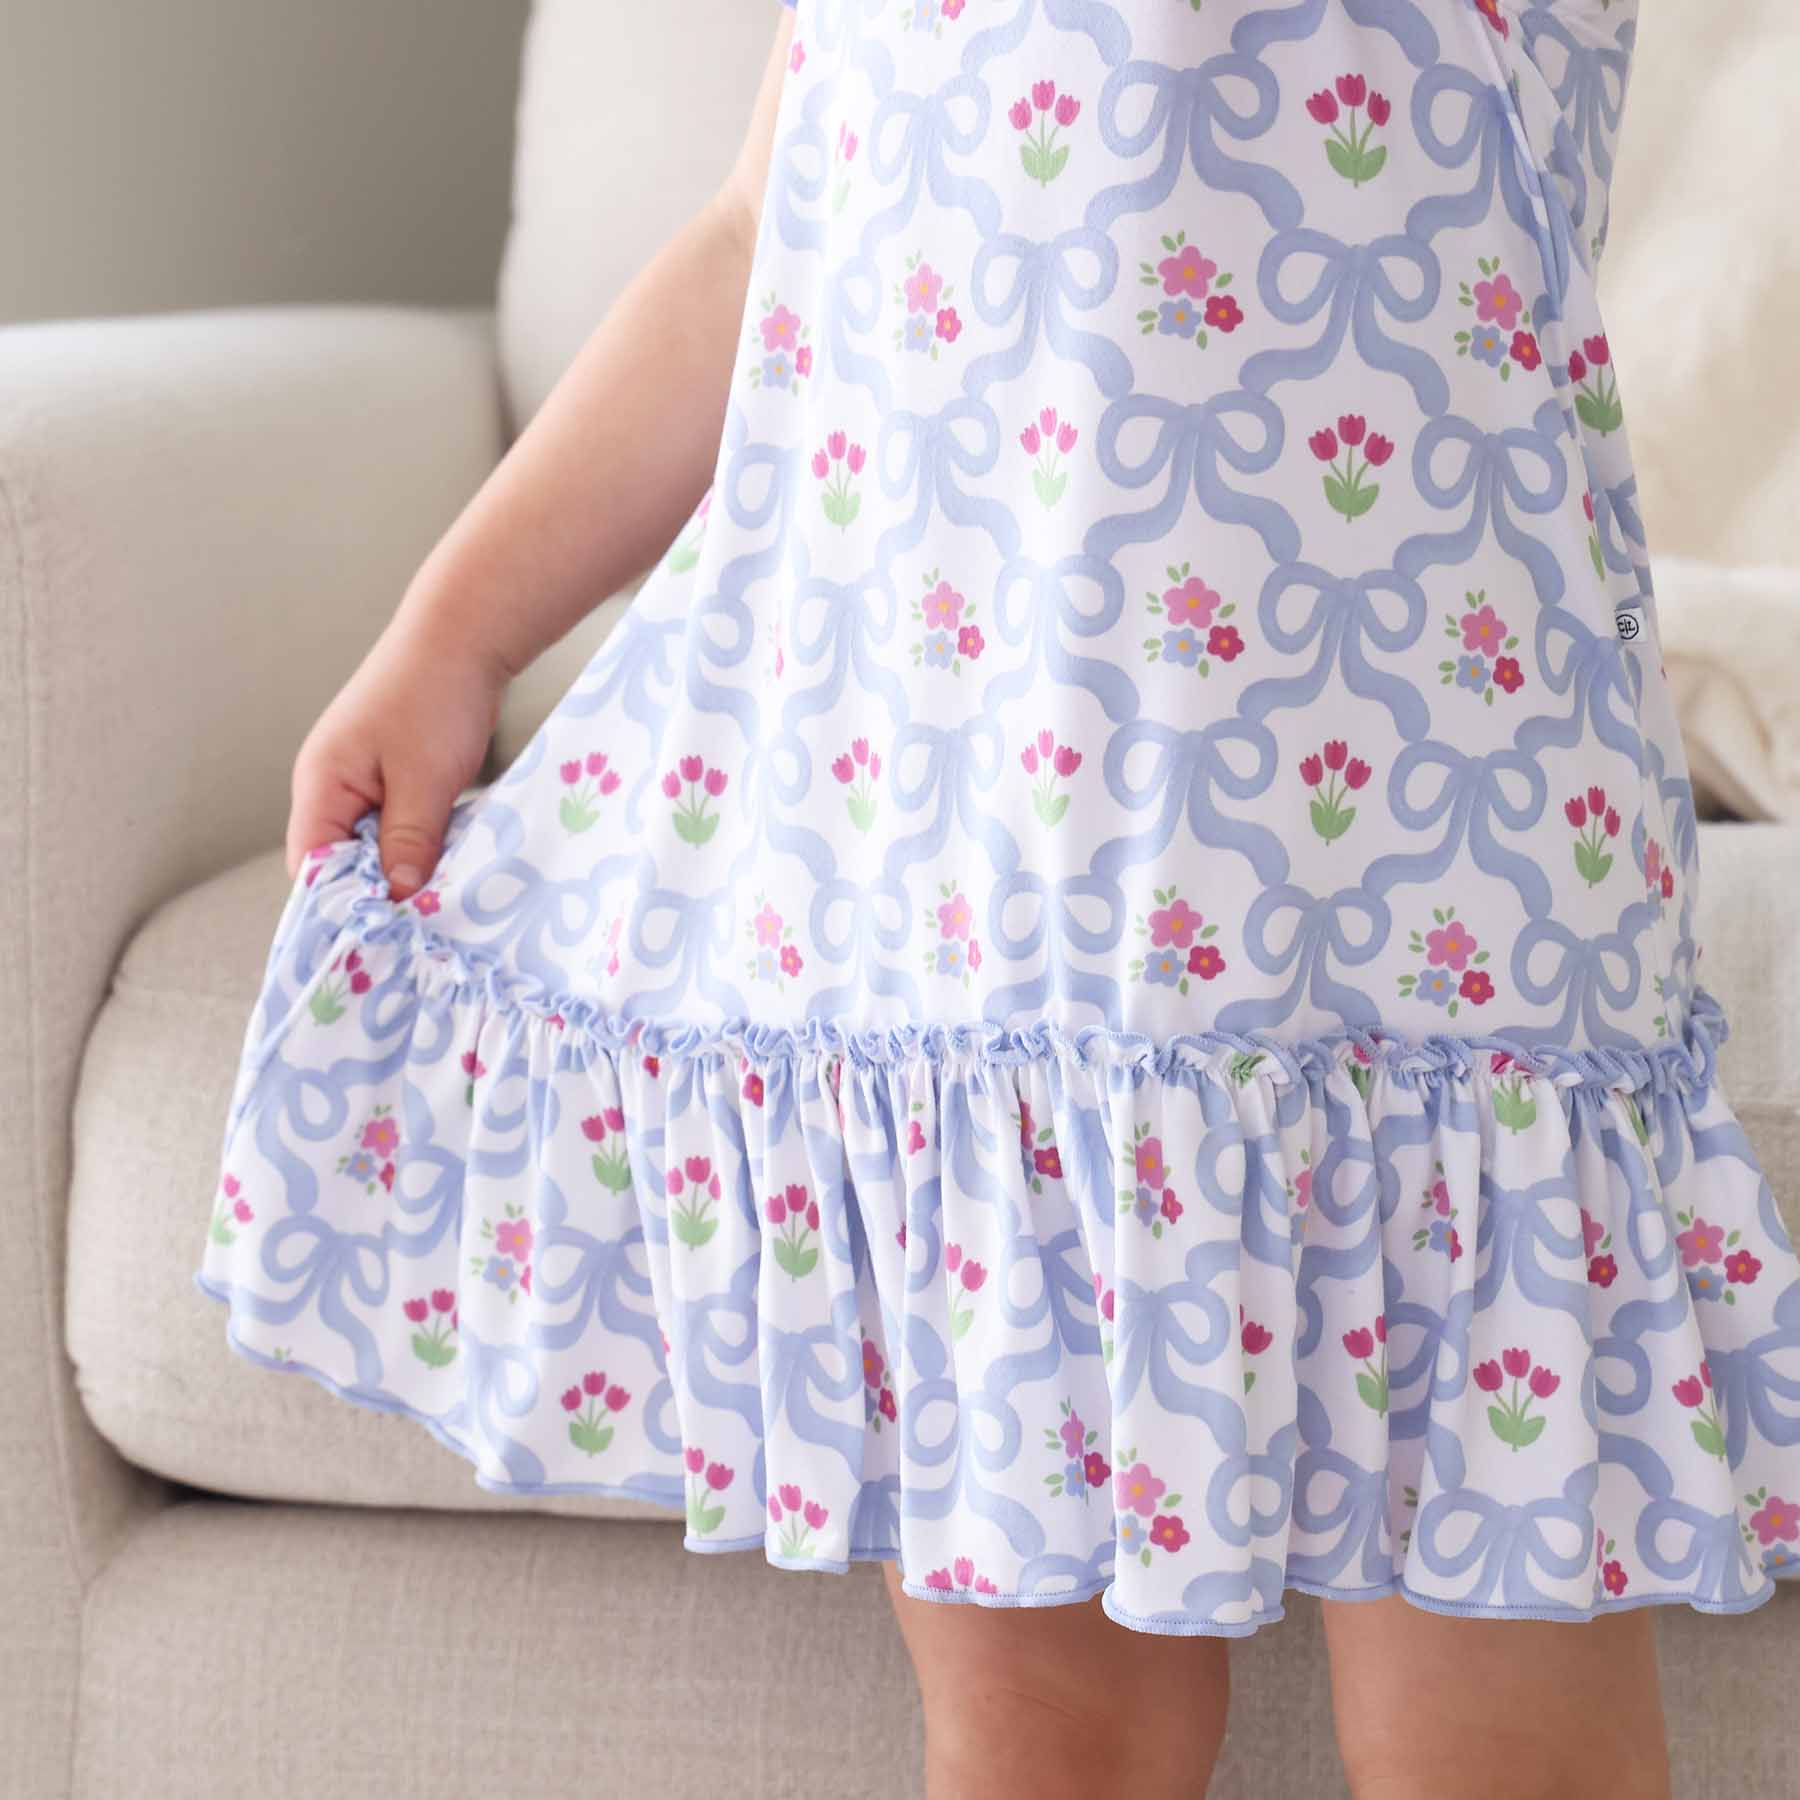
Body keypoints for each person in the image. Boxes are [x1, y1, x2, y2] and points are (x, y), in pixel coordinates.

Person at [196, 3, 1797, 1795]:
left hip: (1448, 892)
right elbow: (758, 238)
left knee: (1504, 1743)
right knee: (1048, 1727)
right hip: (969, 892)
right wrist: (455, 635)